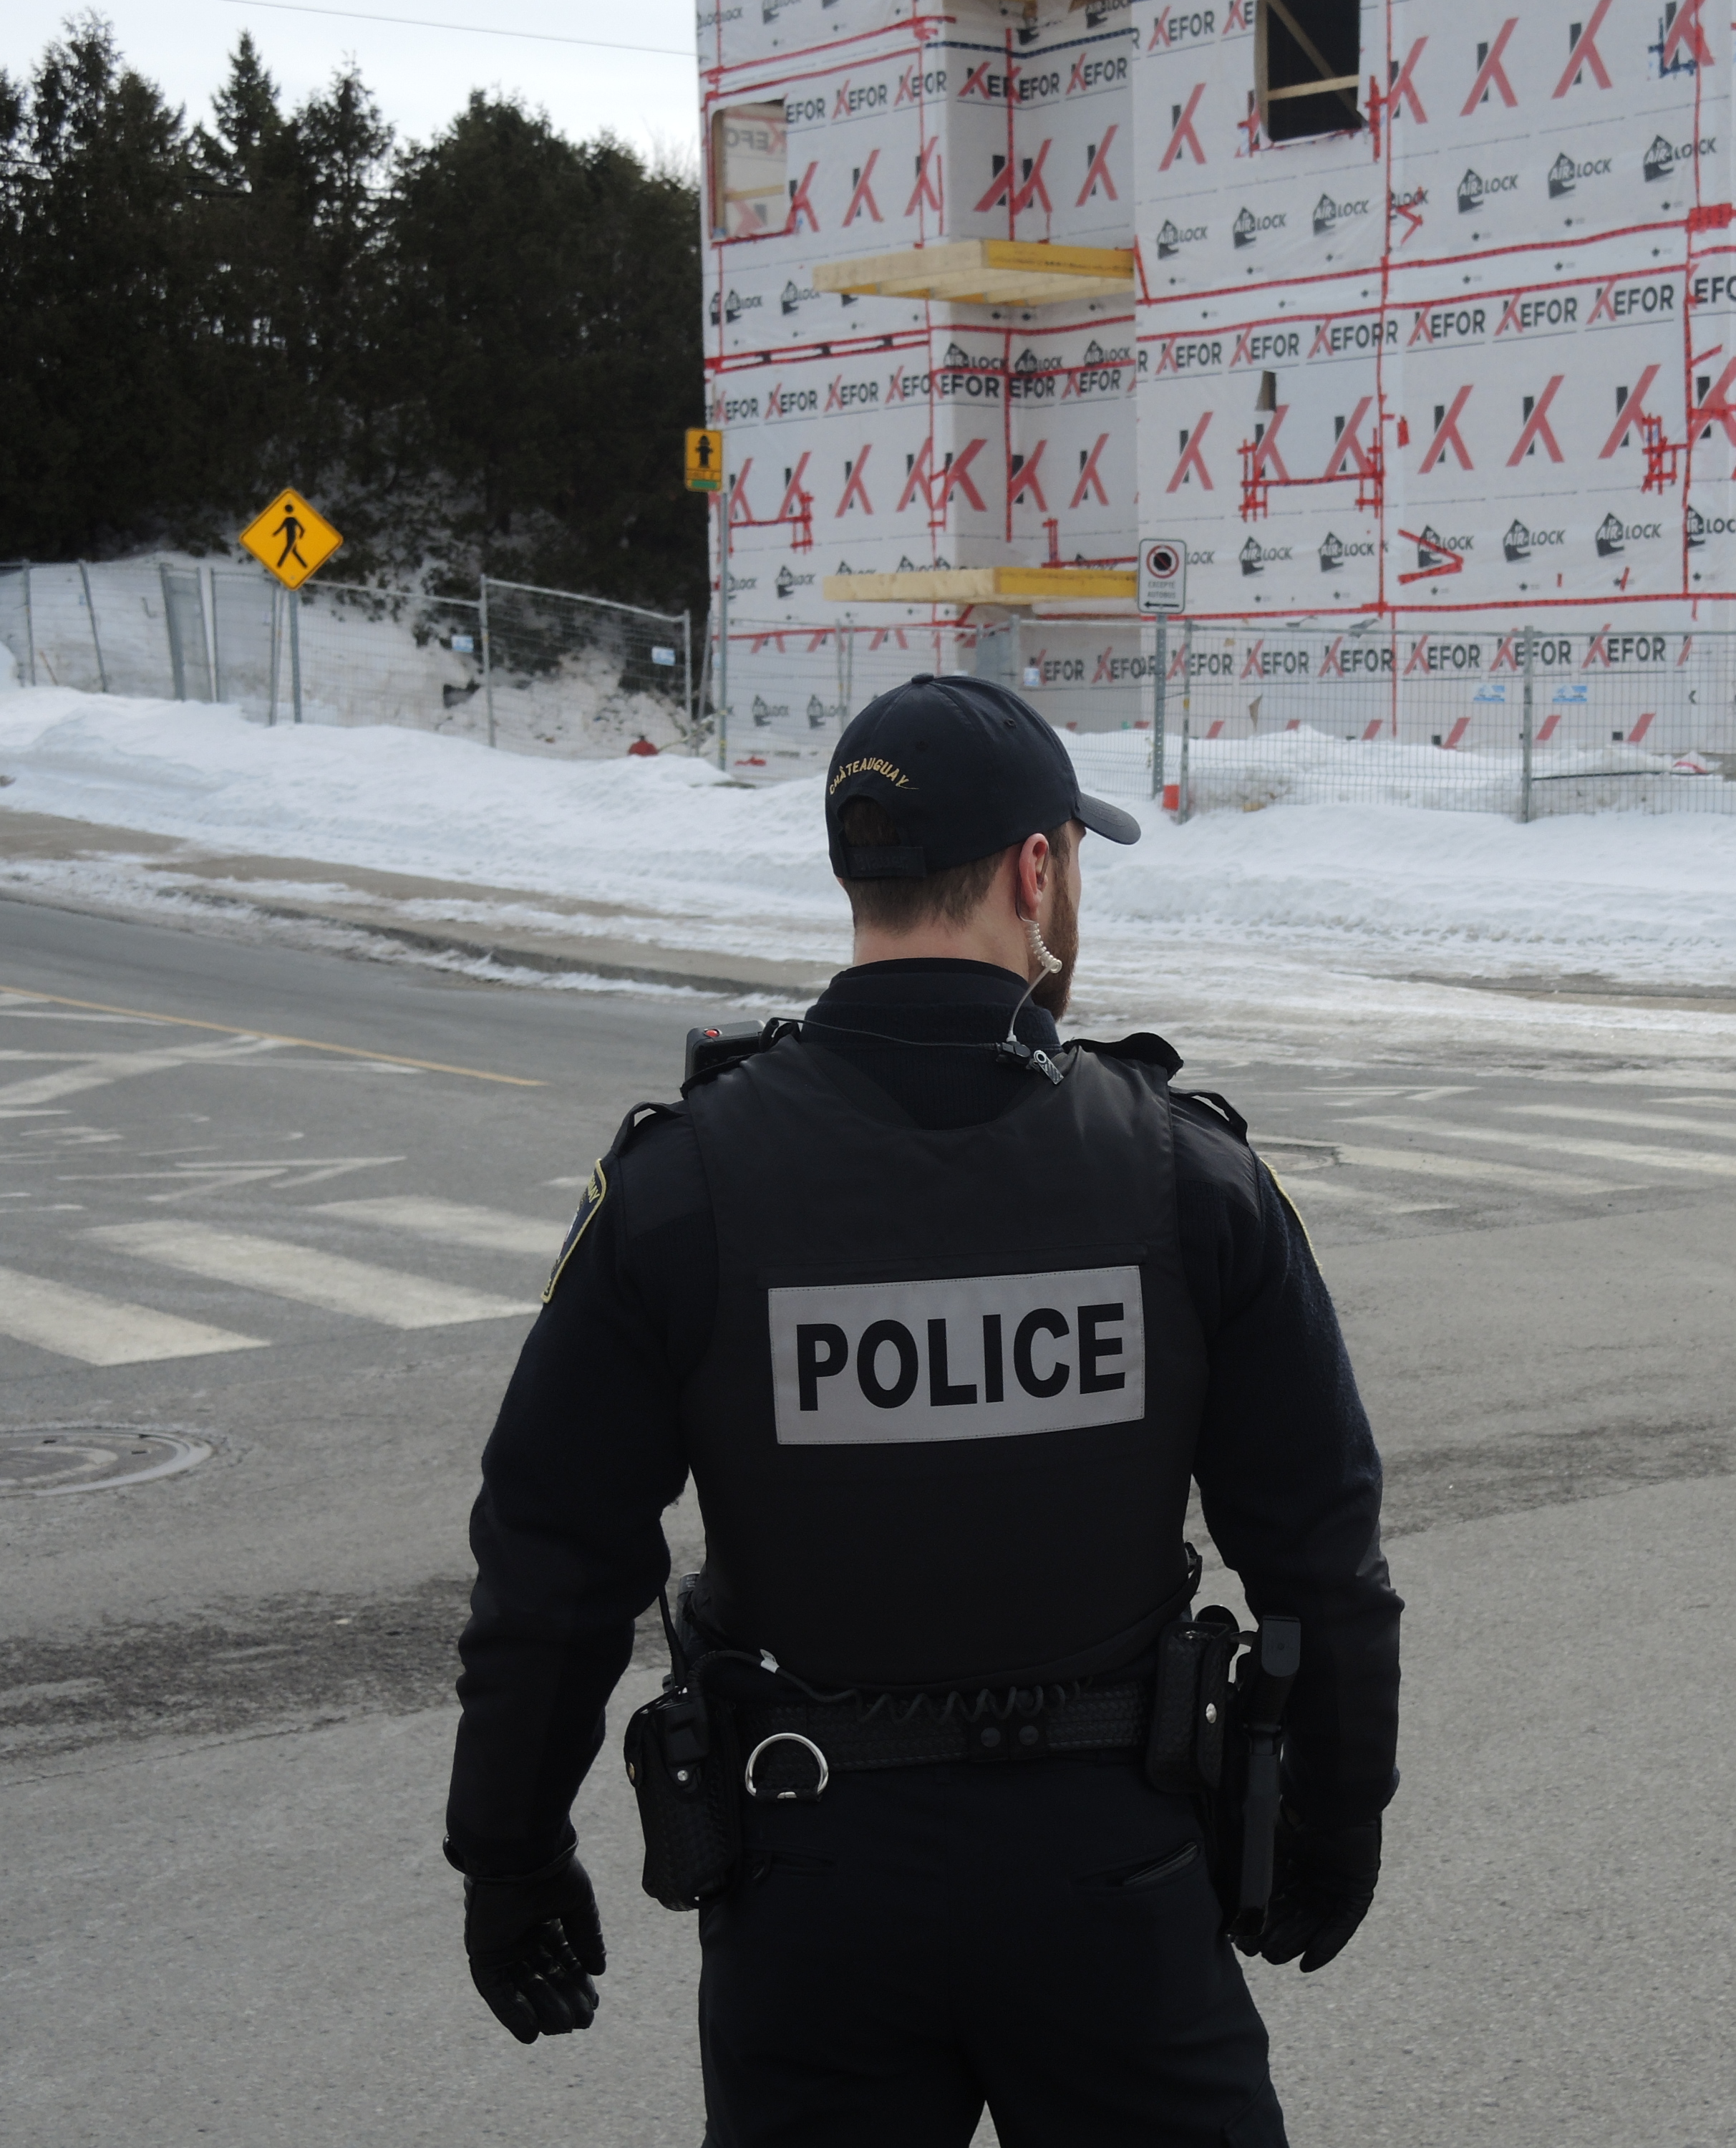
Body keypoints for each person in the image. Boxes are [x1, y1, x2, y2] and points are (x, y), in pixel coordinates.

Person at [443, 674, 1402, 2145]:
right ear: (1037, 871)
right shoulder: (1181, 1180)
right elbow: (1320, 1545)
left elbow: (553, 1561)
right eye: (1071, 863)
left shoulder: (686, 1186)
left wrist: (508, 1848)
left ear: (860, 874)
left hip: (809, 1890)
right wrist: (1339, 1813)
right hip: (1115, 1893)